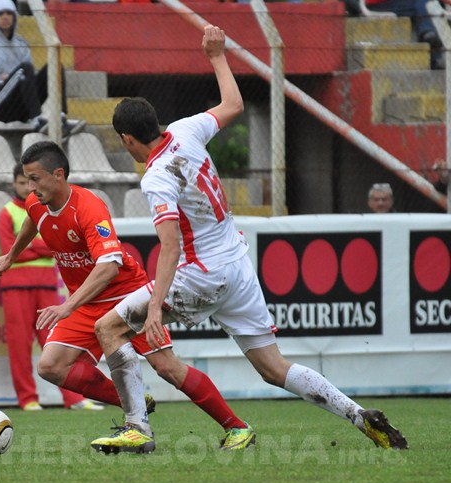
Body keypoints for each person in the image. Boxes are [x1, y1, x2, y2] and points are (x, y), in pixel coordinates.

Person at [101, 25, 409, 451]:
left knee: (110, 328)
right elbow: (233, 104)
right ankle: (358, 415)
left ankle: (138, 428)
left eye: (125, 143)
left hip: (200, 275)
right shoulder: (188, 129)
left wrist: (155, 308)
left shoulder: (155, 178)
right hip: (237, 267)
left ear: (128, 139)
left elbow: (170, 246)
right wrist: (216, 56)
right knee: (272, 366)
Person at [0, 141, 256, 455]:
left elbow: (110, 265)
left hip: (126, 295)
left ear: (59, 175)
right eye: (27, 179)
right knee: (51, 366)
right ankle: (134, 404)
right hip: (87, 302)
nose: (30, 187)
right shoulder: (36, 202)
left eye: (35, 179)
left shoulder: (88, 207)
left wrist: (67, 306)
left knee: (167, 367)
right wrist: (11, 256)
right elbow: (32, 224)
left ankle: (236, 426)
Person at [0, 163, 104, 412]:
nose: (27, 188)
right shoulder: (8, 212)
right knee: (19, 344)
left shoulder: (47, 209)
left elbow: (55, 246)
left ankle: (74, 398)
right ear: (14, 184)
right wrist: (40, 248)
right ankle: (28, 399)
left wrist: (29, 248)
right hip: (16, 287)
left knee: (56, 341)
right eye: (22, 183)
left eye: (29, 182)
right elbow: (9, 252)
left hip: (45, 283)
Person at [0, 0, 84, 135]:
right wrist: (14, 77)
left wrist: (9, 77)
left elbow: (27, 79)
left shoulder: (22, 43)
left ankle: (61, 119)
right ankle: (37, 120)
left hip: (18, 106)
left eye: (9, 13)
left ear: (15, 16)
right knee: (24, 69)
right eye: (0, 13)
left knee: (55, 68)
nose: (5, 17)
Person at [344, 0, 443, 70]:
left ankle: (430, 38)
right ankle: (431, 44)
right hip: (373, 5)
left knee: (427, 5)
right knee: (425, 5)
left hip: (394, 3)